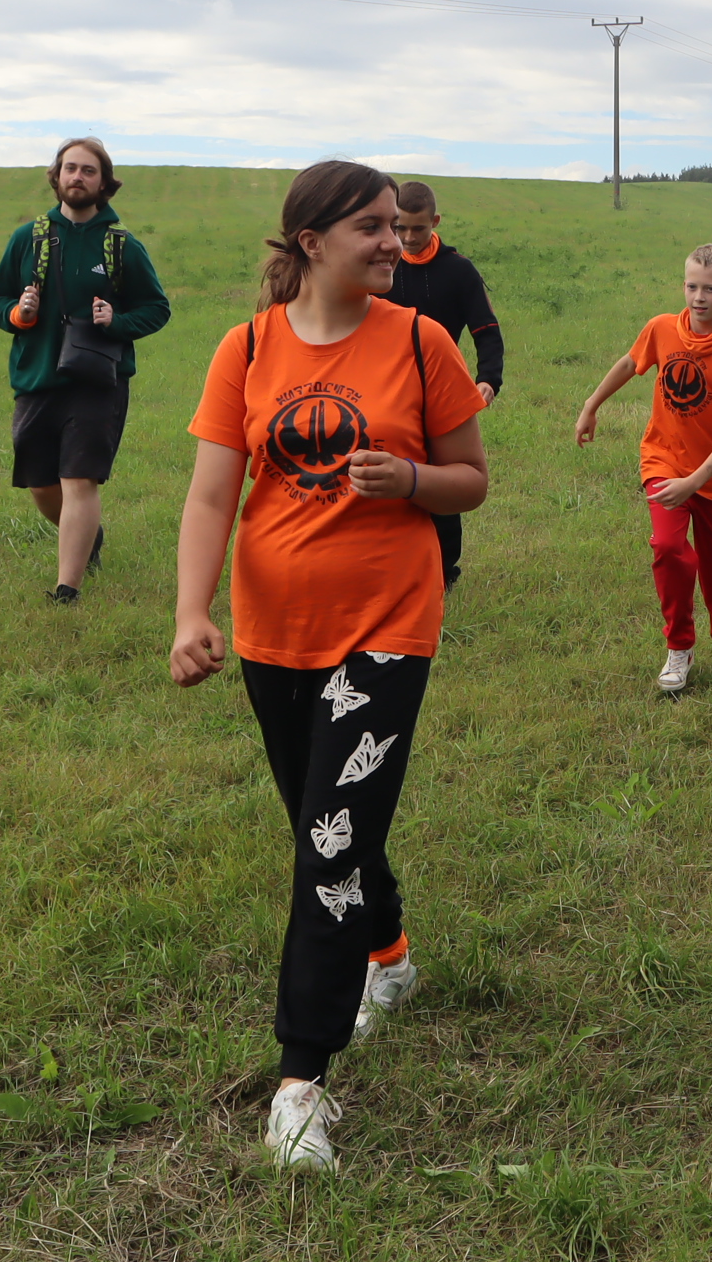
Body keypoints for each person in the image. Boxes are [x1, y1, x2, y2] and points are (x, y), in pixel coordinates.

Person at [169, 160, 490, 1172]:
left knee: (330, 839)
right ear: (311, 243)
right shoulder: (247, 347)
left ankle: (300, 1082)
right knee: (325, 821)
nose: (396, 242)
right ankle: (387, 953)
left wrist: (412, 479)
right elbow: (212, 496)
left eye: (397, 225)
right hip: (273, 633)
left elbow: (471, 481)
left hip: (387, 626)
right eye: (373, 228)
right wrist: (191, 612)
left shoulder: (422, 341)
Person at [572, 242, 712, 693]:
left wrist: (693, 483)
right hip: (663, 459)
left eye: (710, 289)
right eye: (692, 286)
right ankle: (679, 647)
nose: (699, 297)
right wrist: (591, 404)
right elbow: (630, 362)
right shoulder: (662, 328)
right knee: (668, 546)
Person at [0, 137, 171, 604]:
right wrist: (19, 313)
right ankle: (91, 536)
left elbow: (156, 308)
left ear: (104, 182)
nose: (78, 177)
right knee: (41, 485)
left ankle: (68, 591)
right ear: (57, 176)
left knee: (79, 479)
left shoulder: (121, 245)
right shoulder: (27, 239)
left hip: (97, 380)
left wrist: (117, 322)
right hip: (37, 377)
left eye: (88, 170)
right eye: (70, 168)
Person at [382, 181, 505, 588]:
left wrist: (488, 379)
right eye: (400, 228)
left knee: (441, 478)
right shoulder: (382, 265)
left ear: (435, 222)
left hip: (439, 389)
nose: (408, 238)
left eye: (418, 228)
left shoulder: (459, 270)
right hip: (383, 388)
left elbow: (486, 330)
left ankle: (443, 573)